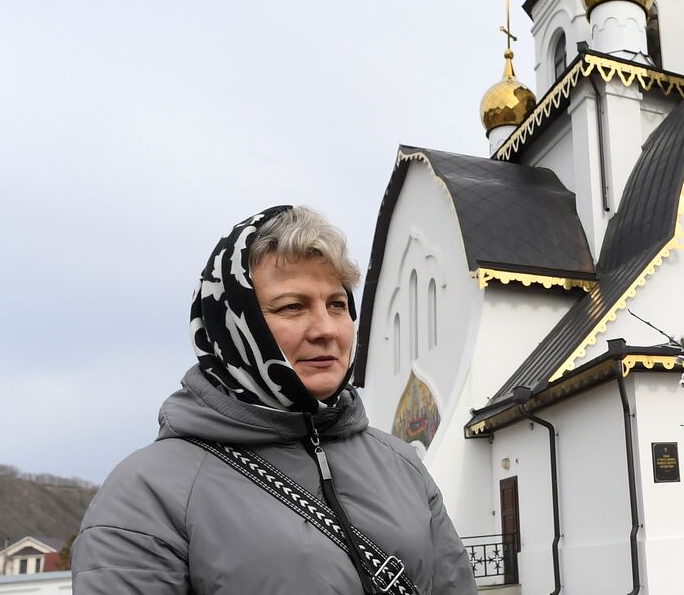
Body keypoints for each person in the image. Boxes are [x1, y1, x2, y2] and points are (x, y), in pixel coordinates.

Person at [73, 205, 477, 594]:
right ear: (232, 326)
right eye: (292, 307)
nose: (326, 330)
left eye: (337, 305)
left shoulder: (399, 462)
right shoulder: (150, 490)